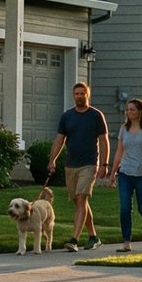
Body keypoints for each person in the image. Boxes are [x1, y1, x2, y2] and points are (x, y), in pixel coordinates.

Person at [49, 81, 109, 252]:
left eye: (82, 93)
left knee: (82, 198)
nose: (79, 96)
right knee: (79, 202)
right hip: (71, 164)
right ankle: (93, 237)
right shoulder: (67, 116)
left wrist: (104, 164)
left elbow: (104, 141)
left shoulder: (96, 115)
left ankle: (74, 240)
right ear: (73, 96)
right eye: (77, 94)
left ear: (87, 95)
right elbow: (59, 139)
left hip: (89, 163)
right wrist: (52, 160)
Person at [106, 97, 142, 253]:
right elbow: (119, 151)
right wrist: (113, 173)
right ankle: (126, 242)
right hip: (125, 172)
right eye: (127, 109)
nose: (129, 112)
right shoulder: (124, 129)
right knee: (125, 208)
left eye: (132, 109)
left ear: (140, 111)